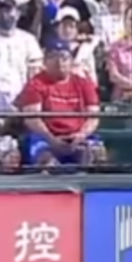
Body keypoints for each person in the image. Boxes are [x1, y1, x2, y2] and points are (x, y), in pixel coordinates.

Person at [16, 40, 105, 168]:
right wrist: (52, 139)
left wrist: (80, 135)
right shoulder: (35, 84)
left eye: (64, 57)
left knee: (97, 155)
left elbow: (93, 117)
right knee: (46, 161)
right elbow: (32, 119)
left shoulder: (84, 83)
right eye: (53, 57)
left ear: (71, 61)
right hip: (46, 137)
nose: (59, 62)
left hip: (78, 135)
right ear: (45, 61)